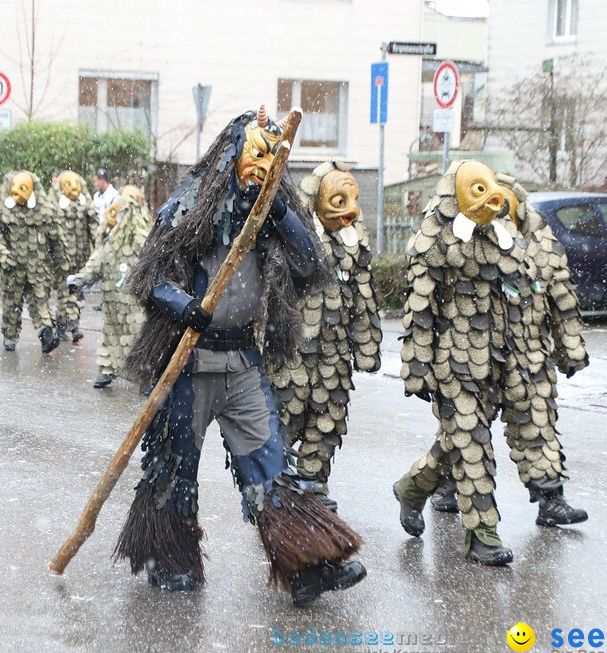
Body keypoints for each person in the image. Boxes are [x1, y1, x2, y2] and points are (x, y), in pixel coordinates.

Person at [113, 107, 367, 607]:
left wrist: (280, 214)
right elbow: (147, 277)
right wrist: (183, 305)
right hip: (187, 364)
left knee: (272, 464)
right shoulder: (193, 202)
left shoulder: (273, 211)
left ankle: (307, 562)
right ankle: (171, 557)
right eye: (255, 153)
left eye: (272, 156)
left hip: (243, 362)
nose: (261, 164)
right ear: (232, 153)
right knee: (175, 465)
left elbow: (309, 264)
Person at [392, 161, 590, 566]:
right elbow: (420, 311)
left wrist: (530, 357)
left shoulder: (505, 242)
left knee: (457, 442)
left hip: (501, 361)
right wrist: (417, 367)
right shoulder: (434, 243)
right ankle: (482, 534)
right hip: (455, 363)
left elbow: (521, 299)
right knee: (470, 444)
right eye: (478, 190)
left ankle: (412, 487)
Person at [269, 161, 383, 512]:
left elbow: (364, 300)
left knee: (327, 418)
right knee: (287, 413)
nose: (349, 210)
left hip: (335, 357)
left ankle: (314, 484)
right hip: (293, 354)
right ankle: (278, 483)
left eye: (353, 200)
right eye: (338, 200)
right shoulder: (292, 244)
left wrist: (366, 347)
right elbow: (271, 294)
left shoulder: (353, 251)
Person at [67, 185, 151, 388]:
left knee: (136, 333)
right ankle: (106, 370)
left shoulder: (144, 241)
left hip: (134, 301)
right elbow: (98, 261)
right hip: (112, 300)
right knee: (110, 336)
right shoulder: (111, 241)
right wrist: (80, 279)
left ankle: (144, 374)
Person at [0, 170, 67, 354]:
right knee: (11, 306)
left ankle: (46, 335)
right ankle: (10, 337)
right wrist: (4, 256)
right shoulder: (2, 211)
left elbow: (55, 240)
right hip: (12, 270)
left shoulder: (44, 211)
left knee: (40, 303)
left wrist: (61, 264)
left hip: (37, 268)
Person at [53, 170, 98, 343]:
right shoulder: (57, 207)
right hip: (63, 259)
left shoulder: (85, 207)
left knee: (74, 291)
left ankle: (66, 326)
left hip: (80, 259)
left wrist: (98, 249)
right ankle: (69, 326)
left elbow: (94, 230)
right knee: (65, 293)